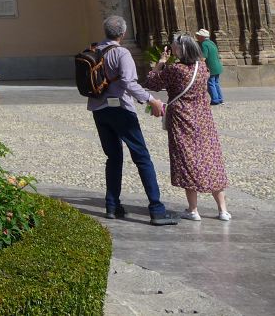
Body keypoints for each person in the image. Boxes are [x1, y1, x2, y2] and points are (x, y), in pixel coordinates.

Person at [87, 15, 177, 225]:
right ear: (123, 33)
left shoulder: (94, 50)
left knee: (113, 157)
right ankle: (156, 209)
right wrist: (151, 100)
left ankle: (112, 205)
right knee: (142, 157)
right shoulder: (121, 53)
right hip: (121, 110)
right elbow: (128, 82)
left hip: (99, 109)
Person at [145, 34, 231, 221]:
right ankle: (223, 210)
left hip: (182, 118)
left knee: (187, 160)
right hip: (203, 118)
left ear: (181, 50)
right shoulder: (202, 68)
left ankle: (193, 210)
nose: (172, 49)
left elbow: (151, 82)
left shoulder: (175, 69)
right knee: (211, 158)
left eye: (175, 46)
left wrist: (161, 62)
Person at [196, 28, 225, 106]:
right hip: (217, 66)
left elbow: (204, 57)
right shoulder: (212, 42)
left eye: (198, 35)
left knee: (211, 83)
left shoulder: (204, 44)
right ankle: (220, 99)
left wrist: (198, 65)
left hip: (211, 67)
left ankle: (215, 100)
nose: (197, 37)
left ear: (202, 36)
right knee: (216, 83)